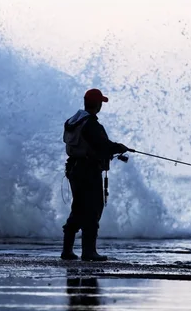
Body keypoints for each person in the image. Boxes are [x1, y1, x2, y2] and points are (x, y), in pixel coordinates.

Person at [61, 88, 131, 261]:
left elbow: (94, 145)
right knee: (92, 209)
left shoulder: (72, 121)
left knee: (78, 208)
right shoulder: (91, 123)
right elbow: (102, 145)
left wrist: (111, 148)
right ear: (98, 104)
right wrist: (119, 147)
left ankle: (67, 250)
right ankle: (88, 252)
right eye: (101, 103)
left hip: (74, 169)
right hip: (87, 171)